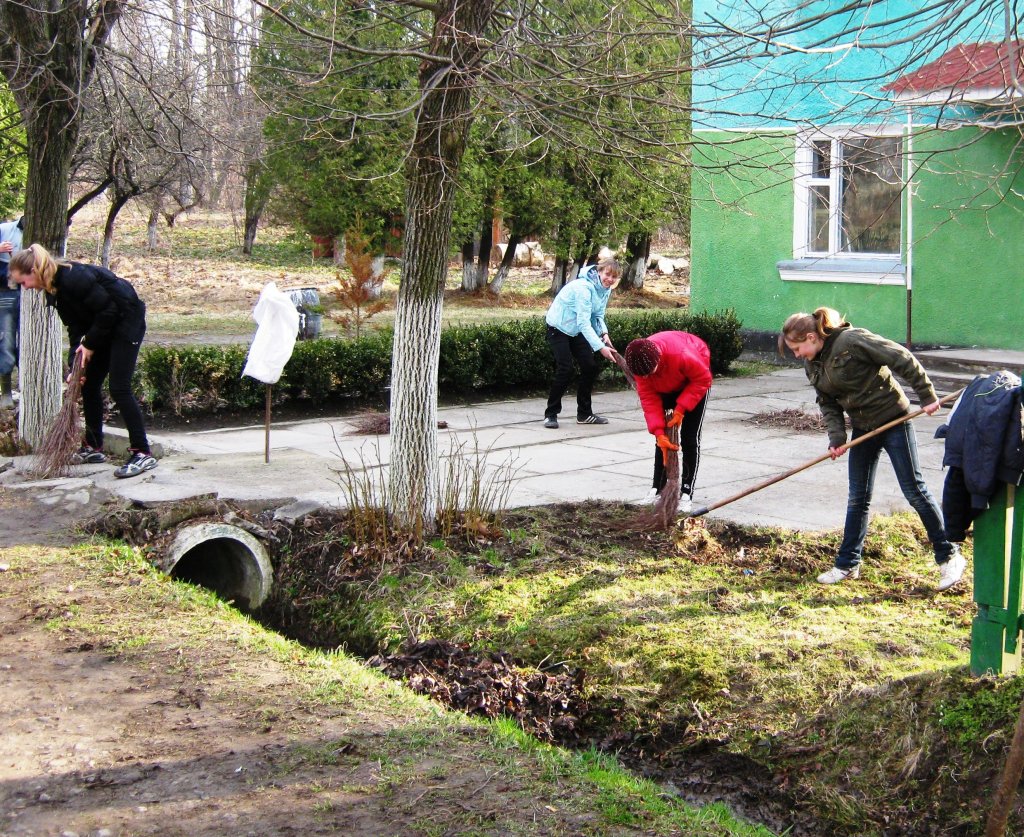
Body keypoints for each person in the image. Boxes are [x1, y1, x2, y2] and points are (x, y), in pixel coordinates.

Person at [779, 306, 965, 590]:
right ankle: (847, 564)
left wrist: (926, 394)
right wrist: (837, 438)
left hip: (894, 419)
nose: (797, 355)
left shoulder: (851, 341)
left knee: (914, 490)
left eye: (797, 348)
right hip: (864, 428)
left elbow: (899, 357)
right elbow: (827, 402)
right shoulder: (812, 364)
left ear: (811, 337)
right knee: (858, 497)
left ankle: (949, 556)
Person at [9, 244, 157, 479]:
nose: (24, 288)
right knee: (88, 385)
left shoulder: (74, 277)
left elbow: (109, 311)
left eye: (23, 282)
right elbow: (75, 327)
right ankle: (93, 447)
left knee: (120, 388)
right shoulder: (54, 288)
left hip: (126, 323)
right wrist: (75, 366)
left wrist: (89, 345)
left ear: (34, 271)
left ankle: (142, 453)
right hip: (103, 328)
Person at [624, 332, 712, 514]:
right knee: (662, 441)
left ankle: (686, 492)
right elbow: (648, 399)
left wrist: (680, 409)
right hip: (665, 386)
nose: (647, 377)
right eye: (644, 376)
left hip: (693, 383)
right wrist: (658, 432)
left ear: (658, 359)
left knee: (689, 438)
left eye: (651, 372)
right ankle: (657, 489)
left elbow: (703, 379)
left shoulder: (682, 354)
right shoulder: (640, 365)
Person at [543, 259, 621, 429]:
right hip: (558, 327)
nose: (610, 279)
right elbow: (584, 322)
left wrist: (604, 334)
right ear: (599, 272)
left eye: (614, 276)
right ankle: (551, 414)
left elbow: (598, 315)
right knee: (566, 369)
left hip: (576, 330)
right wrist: (600, 348)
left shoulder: (605, 290)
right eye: (607, 274)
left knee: (590, 366)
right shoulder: (583, 288)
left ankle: (584, 414)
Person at [0, 215, 24, 408]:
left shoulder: (45, 232)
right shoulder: (5, 229)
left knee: (27, 341)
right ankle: (6, 392)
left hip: (32, 293)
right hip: (6, 292)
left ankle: (28, 388)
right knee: (6, 340)